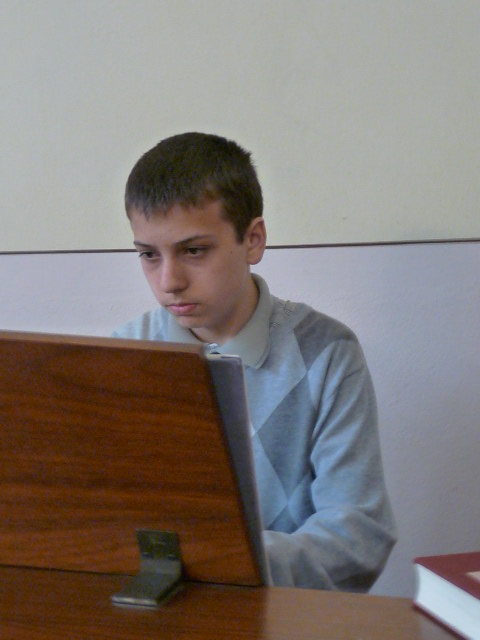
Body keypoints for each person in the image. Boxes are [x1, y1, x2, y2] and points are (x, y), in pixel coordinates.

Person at [113, 132, 397, 591]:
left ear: (253, 240)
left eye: (193, 250)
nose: (169, 281)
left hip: (281, 615)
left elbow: (359, 537)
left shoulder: (328, 354)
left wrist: (224, 561)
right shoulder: (123, 357)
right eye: (148, 255)